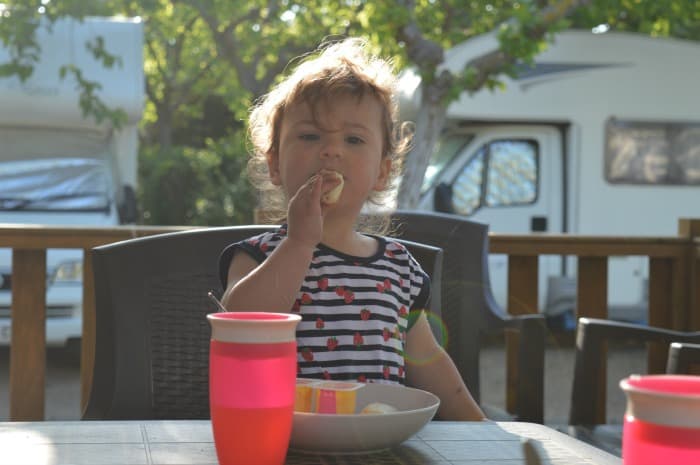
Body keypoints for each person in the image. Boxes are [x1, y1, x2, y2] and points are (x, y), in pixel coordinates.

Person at [219, 37, 485, 421]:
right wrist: (298, 243)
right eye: (310, 136)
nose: (331, 150)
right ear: (275, 164)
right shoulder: (257, 255)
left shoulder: (398, 266)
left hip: (379, 443)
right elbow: (239, 327)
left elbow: (429, 364)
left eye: (354, 139)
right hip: (284, 442)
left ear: (382, 172)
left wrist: (484, 430)